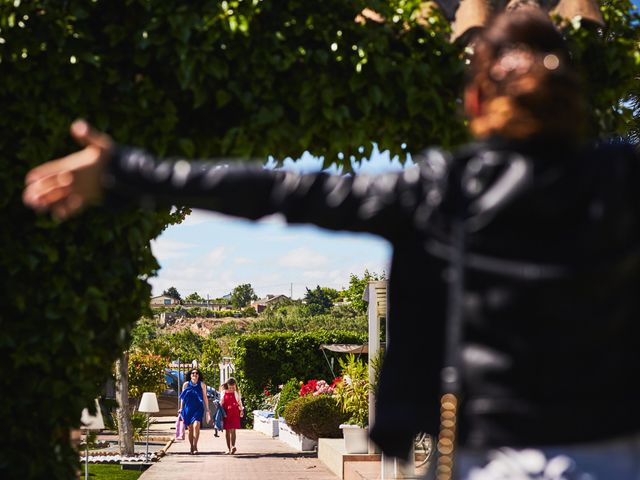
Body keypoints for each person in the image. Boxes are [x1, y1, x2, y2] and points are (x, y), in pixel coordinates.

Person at [22, 6, 640, 478]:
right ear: (574, 102)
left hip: (490, 457)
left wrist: (128, 171)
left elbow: (281, 191)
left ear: (474, 101)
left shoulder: (440, 190)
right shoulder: (624, 182)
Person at [178, 368, 210, 455]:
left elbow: (205, 397)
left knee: (196, 426)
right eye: (193, 373)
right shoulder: (186, 384)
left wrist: (207, 409)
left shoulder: (202, 385)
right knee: (190, 429)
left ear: (198, 375)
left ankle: (195, 446)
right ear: (190, 375)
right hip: (188, 409)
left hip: (198, 408)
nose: (194, 374)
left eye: (196, 373)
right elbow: (182, 398)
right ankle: (191, 446)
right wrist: (181, 408)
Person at [220, 378, 244, 454]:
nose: (231, 389)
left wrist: (241, 410)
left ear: (235, 386)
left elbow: (239, 402)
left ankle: (233, 446)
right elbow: (221, 403)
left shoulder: (236, 393)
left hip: (234, 413)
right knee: (227, 431)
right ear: (227, 385)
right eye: (230, 387)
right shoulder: (223, 392)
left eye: (233, 387)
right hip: (226, 414)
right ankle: (229, 449)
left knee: (233, 430)